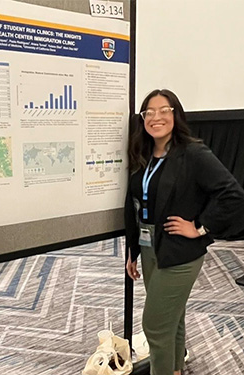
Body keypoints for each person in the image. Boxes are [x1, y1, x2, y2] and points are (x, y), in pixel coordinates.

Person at [125, 89, 244, 375]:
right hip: (149, 246)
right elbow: (137, 204)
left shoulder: (192, 152)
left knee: (154, 326)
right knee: (172, 319)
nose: (156, 117)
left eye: (164, 110)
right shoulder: (144, 153)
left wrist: (200, 227)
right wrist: (133, 250)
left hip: (179, 250)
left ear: (176, 114)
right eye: (149, 112)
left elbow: (233, 194)